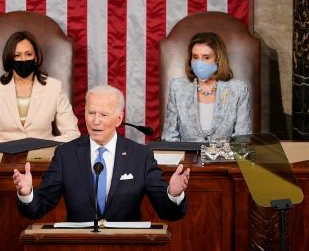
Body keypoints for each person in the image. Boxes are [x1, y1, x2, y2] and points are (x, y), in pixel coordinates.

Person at [13, 85, 190, 222]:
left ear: (119, 119)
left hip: (127, 249)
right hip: (78, 250)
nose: (95, 121)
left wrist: (174, 194)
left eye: (104, 115)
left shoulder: (140, 156)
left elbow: (168, 212)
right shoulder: (66, 155)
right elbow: (38, 208)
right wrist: (27, 193)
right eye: (91, 113)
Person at [0, 31, 80, 145]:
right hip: (2, 155)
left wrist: (46, 146)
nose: (23, 59)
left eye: (28, 54)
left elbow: (72, 133)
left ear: (36, 57)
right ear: (10, 59)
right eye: (17, 55)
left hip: (42, 155)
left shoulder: (54, 87)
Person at [162, 31, 251, 141]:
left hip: (223, 157)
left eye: (206, 57)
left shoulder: (238, 90)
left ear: (218, 59)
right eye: (195, 57)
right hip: (186, 156)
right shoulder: (178, 87)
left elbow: (242, 140)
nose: (199, 63)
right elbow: (169, 137)